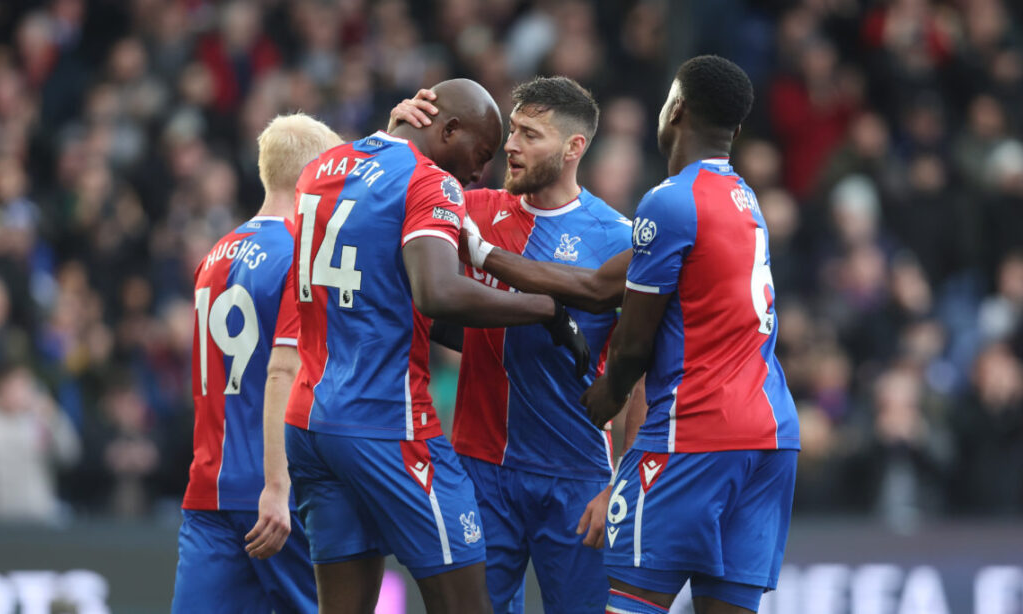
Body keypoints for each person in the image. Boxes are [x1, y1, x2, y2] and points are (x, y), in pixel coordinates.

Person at [282, 78, 589, 614]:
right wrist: (545, 310)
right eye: (480, 153)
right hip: (387, 423)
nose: (478, 173)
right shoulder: (431, 184)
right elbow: (438, 291)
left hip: (309, 422)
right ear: (447, 128)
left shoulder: (321, 169)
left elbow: (385, 293)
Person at [390, 76, 633, 613]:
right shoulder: (468, 208)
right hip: (478, 470)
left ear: (575, 148)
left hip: (577, 479)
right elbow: (371, 197)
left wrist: (621, 486)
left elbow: (639, 374)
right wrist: (397, 134)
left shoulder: (617, 239)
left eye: (530, 134)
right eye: (512, 131)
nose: (511, 145)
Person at [582, 55, 801, 614]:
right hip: (771, 433)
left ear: (674, 108)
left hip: (697, 431)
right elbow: (607, 283)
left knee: (633, 602)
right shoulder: (746, 201)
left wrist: (599, 402)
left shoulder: (669, 201)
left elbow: (632, 345)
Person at [172, 113, 343, 613]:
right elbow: (282, 371)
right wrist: (277, 483)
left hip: (208, 491)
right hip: (278, 495)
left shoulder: (215, 254)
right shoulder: (300, 253)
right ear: (313, 175)